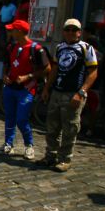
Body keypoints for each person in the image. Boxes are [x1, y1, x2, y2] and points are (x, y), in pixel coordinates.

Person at [39, 19, 97, 172]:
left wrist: (82, 92)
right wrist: (46, 88)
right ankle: (50, 155)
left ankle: (65, 158)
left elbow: (93, 73)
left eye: (74, 30)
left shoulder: (86, 48)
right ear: (64, 31)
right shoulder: (60, 47)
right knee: (52, 126)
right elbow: (55, 69)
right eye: (68, 29)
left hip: (74, 93)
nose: (71, 32)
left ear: (79, 32)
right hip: (57, 91)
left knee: (70, 127)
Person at [0, 20, 50, 159]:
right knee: (9, 118)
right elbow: (8, 65)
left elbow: (47, 69)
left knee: (21, 119)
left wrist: (29, 76)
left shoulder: (37, 49)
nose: (10, 32)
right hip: (10, 88)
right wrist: (5, 76)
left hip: (26, 89)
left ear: (20, 32)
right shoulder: (12, 47)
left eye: (12, 30)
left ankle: (29, 145)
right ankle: (8, 144)